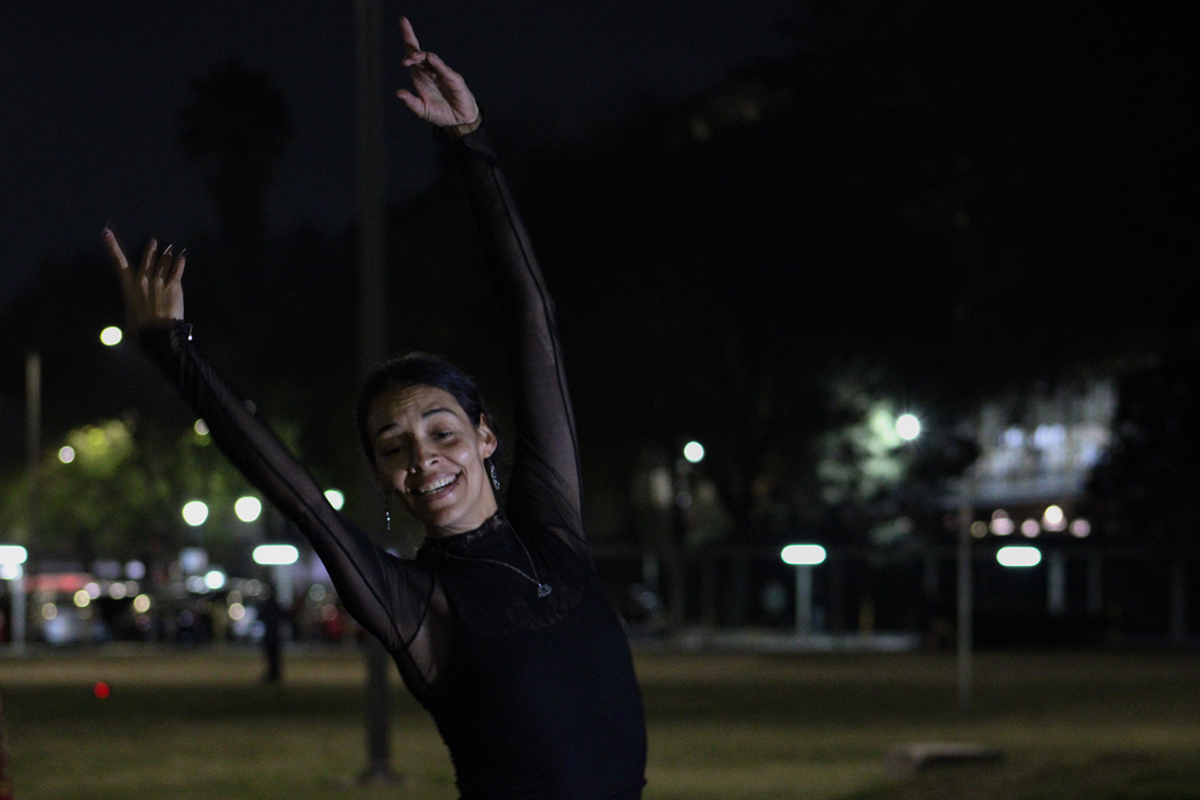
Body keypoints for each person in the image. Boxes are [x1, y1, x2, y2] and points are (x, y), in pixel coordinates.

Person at [103, 16, 647, 800]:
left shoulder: (554, 530)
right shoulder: (418, 606)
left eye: (440, 431)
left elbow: (534, 319)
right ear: (383, 478)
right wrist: (170, 349)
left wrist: (471, 145)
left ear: (485, 436)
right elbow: (292, 491)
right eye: (392, 446)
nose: (423, 457)